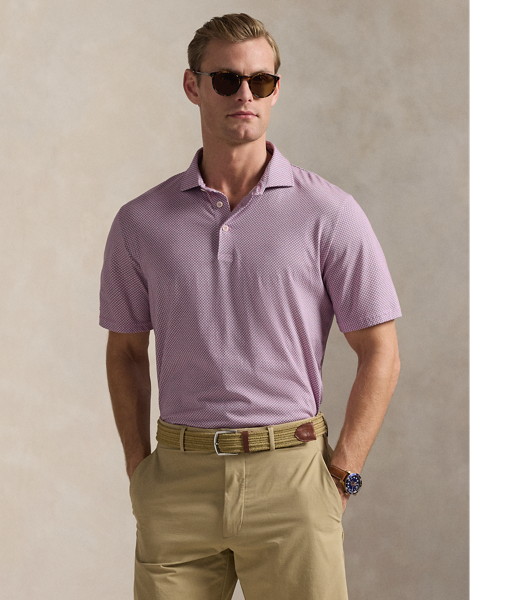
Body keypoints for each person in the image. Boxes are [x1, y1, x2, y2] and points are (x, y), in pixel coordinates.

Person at [100, 13, 401, 600]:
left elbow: (381, 351)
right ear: (193, 86)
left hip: (293, 479)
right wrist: (141, 472)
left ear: (275, 90)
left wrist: (343, 475)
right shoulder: (141, 223)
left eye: (261, 81)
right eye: (226, 80)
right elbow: (126, 353)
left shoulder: (329, 213)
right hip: (178, 482)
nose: (245, 95)